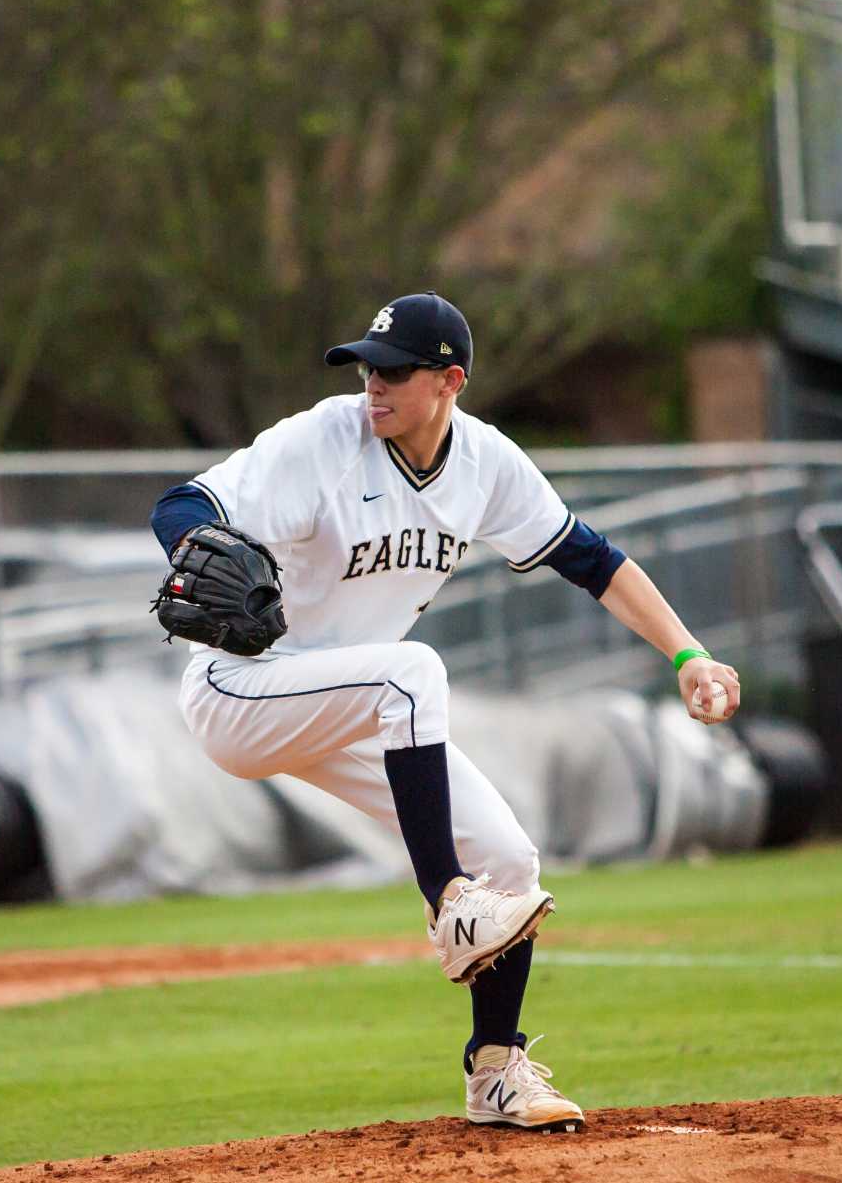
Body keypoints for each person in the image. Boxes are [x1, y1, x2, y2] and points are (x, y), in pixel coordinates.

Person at [150, 291, 740, 1132]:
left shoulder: (486, 465)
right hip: (243, 690)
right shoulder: (326, 440)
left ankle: (497, 1069)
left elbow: (592, 559)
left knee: (511, 855)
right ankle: (449, 903)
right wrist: (194, 552)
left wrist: (688, 652)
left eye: (393, 370)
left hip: (352, 703)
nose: (372, 384)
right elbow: (181, 504)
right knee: (413, 674)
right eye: (365, 366)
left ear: (450, 380)